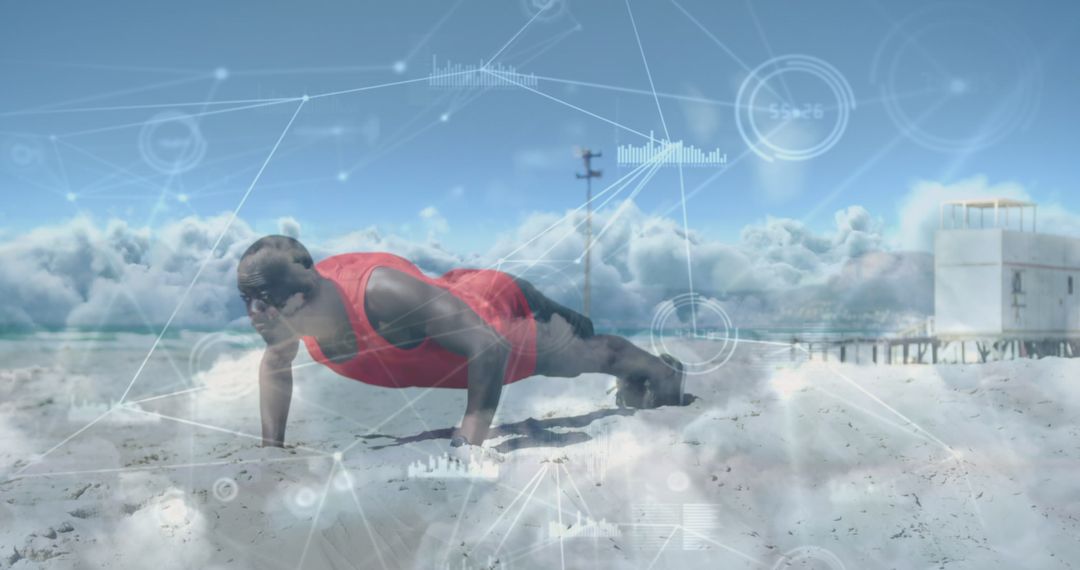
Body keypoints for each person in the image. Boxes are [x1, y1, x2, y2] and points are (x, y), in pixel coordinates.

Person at [236, 235, 685, 451]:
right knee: (576, 333)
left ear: (303, 295)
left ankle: (664, 374)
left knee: (582, 355)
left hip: (495, 314)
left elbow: (489, 346)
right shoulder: (288, 320)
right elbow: (275, 365)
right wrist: (271, 448)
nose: (255, 315)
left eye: (266, 302)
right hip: (455, 293)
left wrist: (469, 438)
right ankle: (608, 351)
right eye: (248, 301)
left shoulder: (380, 294)